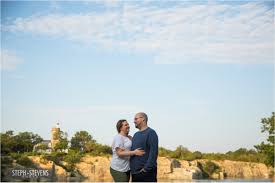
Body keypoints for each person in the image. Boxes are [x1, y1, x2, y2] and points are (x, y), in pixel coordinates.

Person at [130, 112, 159, 182]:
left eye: (136, 119)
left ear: (143, 119)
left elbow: (153, 153)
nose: (134, 121)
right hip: (135, 174)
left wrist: (145, 169)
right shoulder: (136, 135)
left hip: (146, 174)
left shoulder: (151, 133)